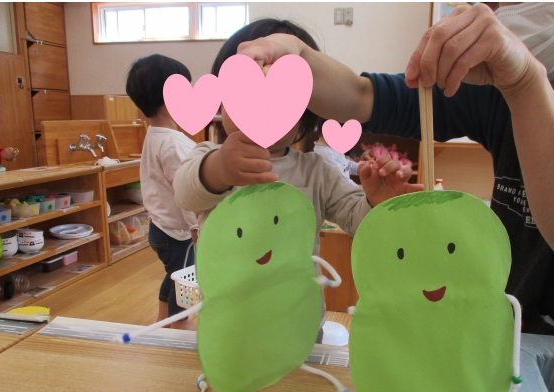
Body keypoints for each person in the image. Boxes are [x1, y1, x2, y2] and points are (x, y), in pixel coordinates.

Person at [235, 3, 554, 340]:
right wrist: (298, 53)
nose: (492, 10)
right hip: (509, 334)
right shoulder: (495, 94)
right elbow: (361, 96)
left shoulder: (517, 85)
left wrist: (525, 82)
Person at [173, 18, 421, 342]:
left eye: (281, 98)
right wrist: (218, 169)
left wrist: (377, 202)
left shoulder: (315, 170)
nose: (260, 108)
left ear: (306, 113)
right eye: (242, 93)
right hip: (227, 328)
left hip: (299, 326)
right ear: (223, 100)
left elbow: (355, 218)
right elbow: (185, 193)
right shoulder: (209, 156)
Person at [126, 54, 199, 329]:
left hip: (162, 228)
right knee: (184, 278)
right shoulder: (172, 144)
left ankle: (163, 318)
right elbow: (186, 192)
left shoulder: (156, 134)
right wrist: (197, 227)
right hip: (178, 233)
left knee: (174, 274)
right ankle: (179, 324)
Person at [313, 119, 359, 186]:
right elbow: (344, 183)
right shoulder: (327, 155)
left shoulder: (331, 148)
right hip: (340, 191)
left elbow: (343, 164)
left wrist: (359, 167)